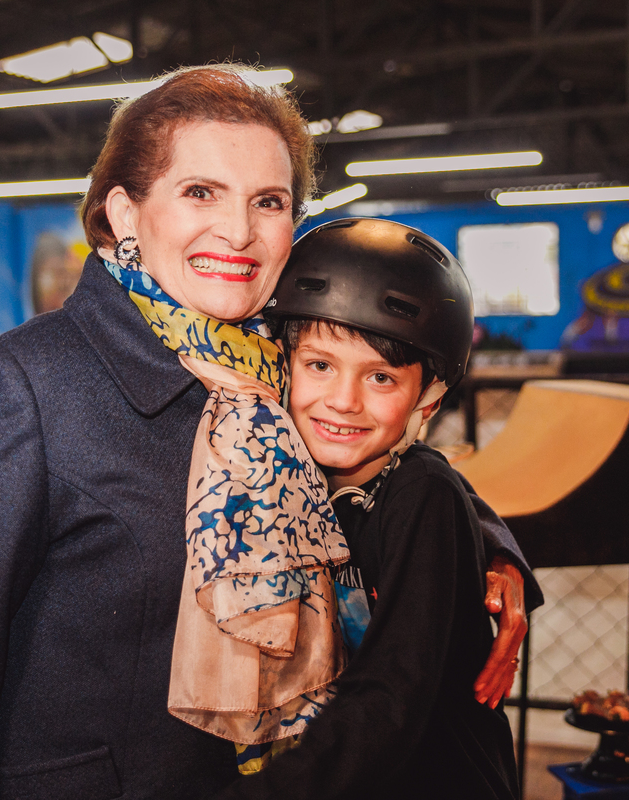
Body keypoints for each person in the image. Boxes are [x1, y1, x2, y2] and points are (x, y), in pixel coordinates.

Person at [0, 65, 532, 800]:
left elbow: (384, 465)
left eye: (268, 202)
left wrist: (488, 552)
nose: (239, 231)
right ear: (125, 213)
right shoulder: (15, 386)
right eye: (200, 192)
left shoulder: (272, 369)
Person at [212, 218, 522, 799]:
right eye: (320, 365)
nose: (343, 401)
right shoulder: (289, 475)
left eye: (380, 377)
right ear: (283, 364)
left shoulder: (422, 495)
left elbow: (391, 696)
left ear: (428, 398)